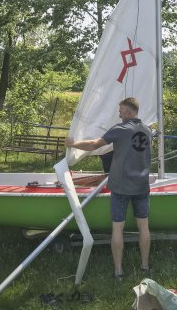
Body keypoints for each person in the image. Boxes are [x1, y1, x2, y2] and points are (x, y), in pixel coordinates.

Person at [65, 97, 152, 278]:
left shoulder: (120, 129)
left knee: (117, 228)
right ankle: (145, 267)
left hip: (120, 187)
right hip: (142, 186)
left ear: (128, 112)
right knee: (143, 226)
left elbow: (94, 144)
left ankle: (118, 271)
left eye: (120, 111)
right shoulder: (147, 130)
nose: (119, 114)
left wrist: (73, 144)